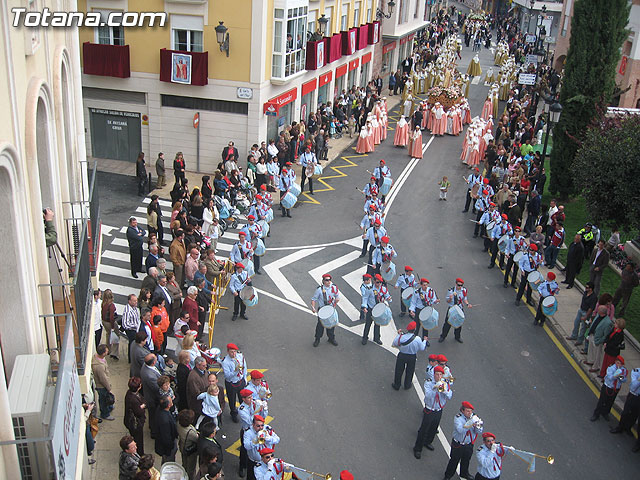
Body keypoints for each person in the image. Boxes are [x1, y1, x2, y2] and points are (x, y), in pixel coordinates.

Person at [413, 366, 452, 459]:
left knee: (434, 427)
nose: (438, 376)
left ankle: (428, 442)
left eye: (440, 374)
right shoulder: (429, 382)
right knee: (424, 429)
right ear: (434, 374)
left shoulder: (444, 383)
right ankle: (417, 448)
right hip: (430, 409)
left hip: (438, 409)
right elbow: (428, 396)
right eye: (437, 374)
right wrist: (435, 388)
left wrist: (443, 391)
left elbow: (449, 396)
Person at [444, 401, 483, 480]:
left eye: (471, 411)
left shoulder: (474, 417)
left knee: (466, 460)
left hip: (468, 444)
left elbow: (479, 431)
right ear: (462, 410)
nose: (470, 413)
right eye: (468, 411)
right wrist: (470, 423)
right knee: (454, 461)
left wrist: (477, 426)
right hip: (458, 444)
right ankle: (448, 476)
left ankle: (464, 473)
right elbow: (460, 430)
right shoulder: (458, 418)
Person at [391, 321, 427, 390]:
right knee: (410, 371)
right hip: (412, 357)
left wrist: (399, 334)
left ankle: (397, 385)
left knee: (399, 370)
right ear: (415, 329)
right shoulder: (418, 339)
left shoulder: (402, 337)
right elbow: (422, 348)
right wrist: (424, 340)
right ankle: (407, 385)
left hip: (402, 355)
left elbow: (395, 343)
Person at [591, 356, 628, 422]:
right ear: (615, 362)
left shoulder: (623, 370)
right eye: (618, 363)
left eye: (621, 364)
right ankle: (596, 414)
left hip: (615, 389)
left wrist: (620, 376)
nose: (619, 365)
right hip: (608, 387)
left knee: (610, 402)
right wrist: (615, 375)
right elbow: (610, 378)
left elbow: (624, 380)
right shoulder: (611, 368)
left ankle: (605, 412)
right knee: (602, 401)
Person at [243, 415, 280, 480]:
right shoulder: (248, 432)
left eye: (262, 425)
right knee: (251, 477)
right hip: (254, 461)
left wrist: (269, 439)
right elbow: (247, 446)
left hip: (266, 461)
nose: (261, 427)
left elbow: (277, 439)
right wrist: (256, 440)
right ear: (253, 424)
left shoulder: (267, 429)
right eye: (258, 426)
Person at [311, 273, 340, 347]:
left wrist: (336, 302)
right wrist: (313, 307)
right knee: (320, 326)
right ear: (323, 281)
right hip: (322, 309)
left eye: (329, 280)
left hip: (330, 308)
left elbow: (337, 296)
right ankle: (317, 339)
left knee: (331, 325)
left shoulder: (334, 288)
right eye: (327, 280)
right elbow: (314, 299)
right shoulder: (319, 290)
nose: (328, 281)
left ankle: (331, 338)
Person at [610, 366, 640, 436]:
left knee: (634, 415)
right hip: (633, 395)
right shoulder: (636, 372)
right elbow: (633, 387)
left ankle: (628, 428)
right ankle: (619, 428)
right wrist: (639, 380)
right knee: (626, 412)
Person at [439, 278, 472, 343]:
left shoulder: (463, 290)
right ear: (455, 284)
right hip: (452, 308)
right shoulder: (451, 291)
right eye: (458, 285)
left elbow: (464, 298)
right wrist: (450, 299)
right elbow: (447, 301)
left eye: (461, 285)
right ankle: (443, 336)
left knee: (459, 323)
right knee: (447, 323)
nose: (459, 287)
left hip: (459, 308)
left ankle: (457, 336)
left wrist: (467, 304)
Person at [360, 274, 388, 345]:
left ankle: (377, 338)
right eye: (377, 282)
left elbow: (387, 295)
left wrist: (388, 299)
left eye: (380, 282)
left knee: (377, 324)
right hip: (371, 308)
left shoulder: (383, 289)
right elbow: (365, 298)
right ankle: (365, 338)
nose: (379, 284)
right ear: (374, 281)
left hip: (379, 309)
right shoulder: (369, 289)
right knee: (368, 324)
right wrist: (364, 307)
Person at [222, 343, 247, 422]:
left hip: (240, 381)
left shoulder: (240, 356)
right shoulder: (225, 362)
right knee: (232, 400)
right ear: (228, 352)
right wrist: (235, 372)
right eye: (232, 352)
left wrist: (244, 378)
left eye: (235, 351)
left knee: (242, 399)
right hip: (231, 384)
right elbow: (227, 376)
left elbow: (245, 367)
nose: (234, 354)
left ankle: (244, 412)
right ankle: (233, 414)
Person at [584, 305, 613, 373]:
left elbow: (606, 335)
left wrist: (600, 341)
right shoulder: (598, 315)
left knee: (597, 354)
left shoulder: (608, 322)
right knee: (590, 349)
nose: (596, 311)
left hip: (598, 339)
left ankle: (596, 367)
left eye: (598, 310)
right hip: (592, 335)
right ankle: (590, 360)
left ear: (601, 312)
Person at [566, 282, 597, 346]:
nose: (586, 288)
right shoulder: (585, 293)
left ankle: (580, 340)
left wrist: (586, 316)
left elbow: (591, 308)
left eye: (587, 287)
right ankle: (574, 335)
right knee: (576, 323)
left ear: (591, 289)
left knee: (583, 327)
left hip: (586, 312)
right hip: (581, 310)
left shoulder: (594, 297)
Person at [140, 354, 162, 439]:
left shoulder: (146, 366)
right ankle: (154, 432)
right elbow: (157, 389)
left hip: (150, 396)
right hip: (152, 399)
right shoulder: (150, 375)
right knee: (153, 415)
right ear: (153, 362)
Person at [124, 377, 146, 456]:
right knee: (138, 440)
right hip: (135, 424)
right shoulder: (133, 400)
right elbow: (139, 412)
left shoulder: (129, 393)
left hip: (130, 421)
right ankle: (140, 454)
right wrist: (142, 406)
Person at [92, 344, 114, 420]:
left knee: (106, 398)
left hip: (103, 384)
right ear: (103, 353)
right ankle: (105, 414)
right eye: (107, 351)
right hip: (102, 386)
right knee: (103, 400)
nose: (108, 352)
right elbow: (103, 379)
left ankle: (109, 407)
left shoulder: (98, 358)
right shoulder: (99, 366)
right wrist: (109, 388)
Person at [176, 410, 199, 480]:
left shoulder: (178, 424)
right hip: (190, 451)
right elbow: (197, 439)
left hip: (182, 447)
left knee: (184, 463)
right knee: (191, 468)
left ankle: (184, 474)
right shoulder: (190, 433)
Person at [155, 396, 178, 463]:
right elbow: (166, 437)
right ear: (168, 405)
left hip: (166, 443)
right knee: (169, 461)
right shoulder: (165, 420)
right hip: (168, 448)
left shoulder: (160, 409)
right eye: (171, 401)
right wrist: (171, 447)